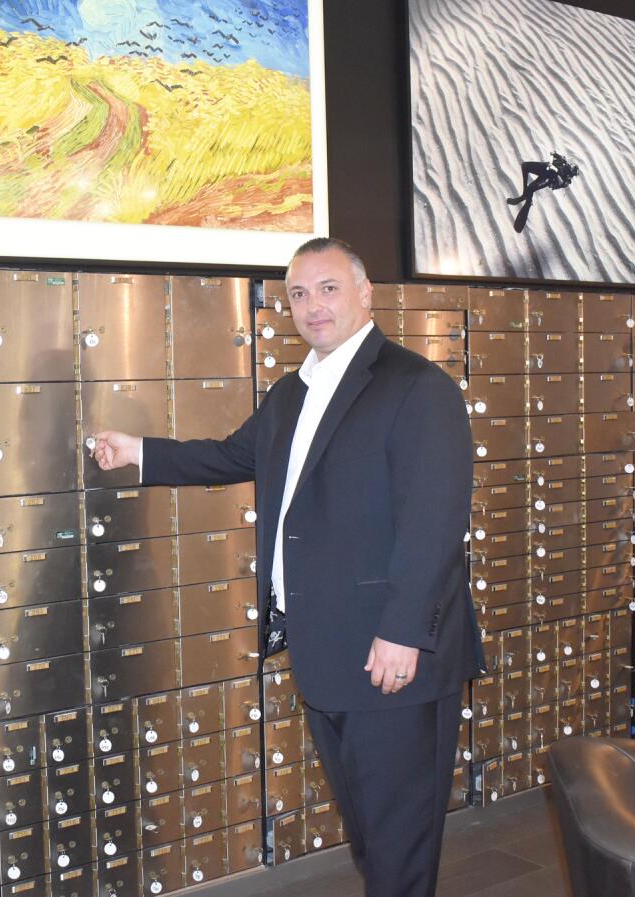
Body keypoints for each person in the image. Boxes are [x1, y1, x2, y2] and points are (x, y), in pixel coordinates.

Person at [92, 237, 484, 897]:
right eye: (298, 293)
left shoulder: (416, 386)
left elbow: (435, 521)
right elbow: (228, 455)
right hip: (325, 652)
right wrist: (141, 453)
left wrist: (404, 630)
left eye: (328, 288)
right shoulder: (291, 394)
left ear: (365, 293)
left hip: (393, 657)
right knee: (370, 832)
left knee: (400, 841)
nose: (312, 306)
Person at [506, 151, 580, 233]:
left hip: (548, 178)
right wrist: (553, 159)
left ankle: (523, 212)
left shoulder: (567, 180)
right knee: (525, 166)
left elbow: (560, 183)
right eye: (571, 167)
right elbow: (552, 153)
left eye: (572, 171)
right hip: (545, 167)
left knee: (530, 189)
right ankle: (523, 196)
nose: (570, 168)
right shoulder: (563, 162)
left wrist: (556, 171)